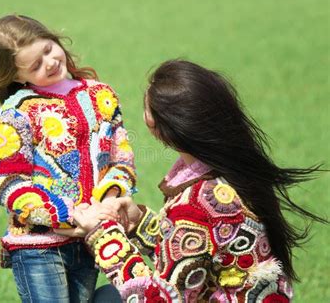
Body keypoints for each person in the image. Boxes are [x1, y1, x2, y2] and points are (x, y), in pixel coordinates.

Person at [64, 59, 327, 302]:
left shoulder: (198, 204)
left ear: (160, 127)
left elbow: (159, 299)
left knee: (105, 300)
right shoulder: (235, 170)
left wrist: (102, 235)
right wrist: (139, 223)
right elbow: (198, 251)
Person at [0, 14, 136, 303]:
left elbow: (121, 155)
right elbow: (9, 183)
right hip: (38, 246)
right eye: (35, 65)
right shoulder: (17, 114)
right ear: (17, 76)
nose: (50, 62)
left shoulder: (100, 96)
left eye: (48, 49)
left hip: (88, 239)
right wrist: (67, 215)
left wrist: (111, 199)